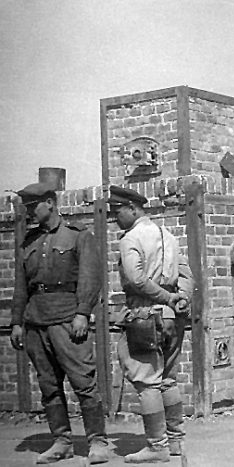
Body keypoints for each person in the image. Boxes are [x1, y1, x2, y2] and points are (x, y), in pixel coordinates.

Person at [11, 182, 110, 464]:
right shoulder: (29, 242)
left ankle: (97, 441)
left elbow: (91, 277)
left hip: (67, 320)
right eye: (27, 207)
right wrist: (17, 321)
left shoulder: (78, 236)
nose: (30, 211)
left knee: (83, 382)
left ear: (51, 203)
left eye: (34, 206)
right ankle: (62, 441)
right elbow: (21, 286)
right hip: (36, 321)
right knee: (49, 386)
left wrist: (82, 313)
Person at [107, 185, 193, 463]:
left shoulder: (131, 238)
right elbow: (187, 276)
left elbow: (136, 280)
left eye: (117, 211)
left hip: (145, 315)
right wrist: (178, 301)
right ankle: (176, 441)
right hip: (172, 317)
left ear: (133, 208)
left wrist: (167, 298)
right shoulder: (169, 236)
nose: (114, 217)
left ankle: (157, 446)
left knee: (147, 381)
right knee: (167, 379)